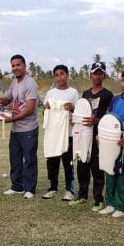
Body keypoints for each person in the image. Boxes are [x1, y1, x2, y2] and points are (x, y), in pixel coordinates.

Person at [70, 62, 113, 210]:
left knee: (96, 168)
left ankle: (98, 199)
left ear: (104, 75)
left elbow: (110, 118)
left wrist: (97, 121)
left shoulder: (108, 95)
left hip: (98, 137)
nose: (98, 76)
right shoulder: (86, 94)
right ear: (90, 75)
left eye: (101, 73)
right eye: (95, 73)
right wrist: (74, 120)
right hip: (83, 136)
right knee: (82, 165)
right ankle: (82, 196)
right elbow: (81, 113)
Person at [98, 69, 124, 218]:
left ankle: (120, 206)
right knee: (110, 171)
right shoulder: (115, 99)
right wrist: (100, 136)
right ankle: (110, 203)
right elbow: (108, 119)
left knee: (123, 174)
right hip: (111, 142)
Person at [0, 54, 39, 199]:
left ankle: (30, 189)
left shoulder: (30, 83)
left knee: (29, 159)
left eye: (18, 65)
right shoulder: (14, 83)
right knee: (15, 159)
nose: (15, 68)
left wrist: (11, 118)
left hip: (28, 128)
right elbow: (7, 99)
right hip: (16, 129)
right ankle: (17, 186)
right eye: (13, 66)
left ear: (24, 65)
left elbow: (29, 109)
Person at [41, 65, 78, 201]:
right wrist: (47, 108)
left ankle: (70, 189)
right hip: (53, 134)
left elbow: (78, 112)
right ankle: (53, 188)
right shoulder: (51, 93)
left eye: (62, 74)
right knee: (52, 161)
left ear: (67, 75)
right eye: (57, 75)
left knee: (68, 163)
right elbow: (44, 112)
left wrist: (72, 108)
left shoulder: (73, 92)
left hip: (68, 133)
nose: (60, 77)